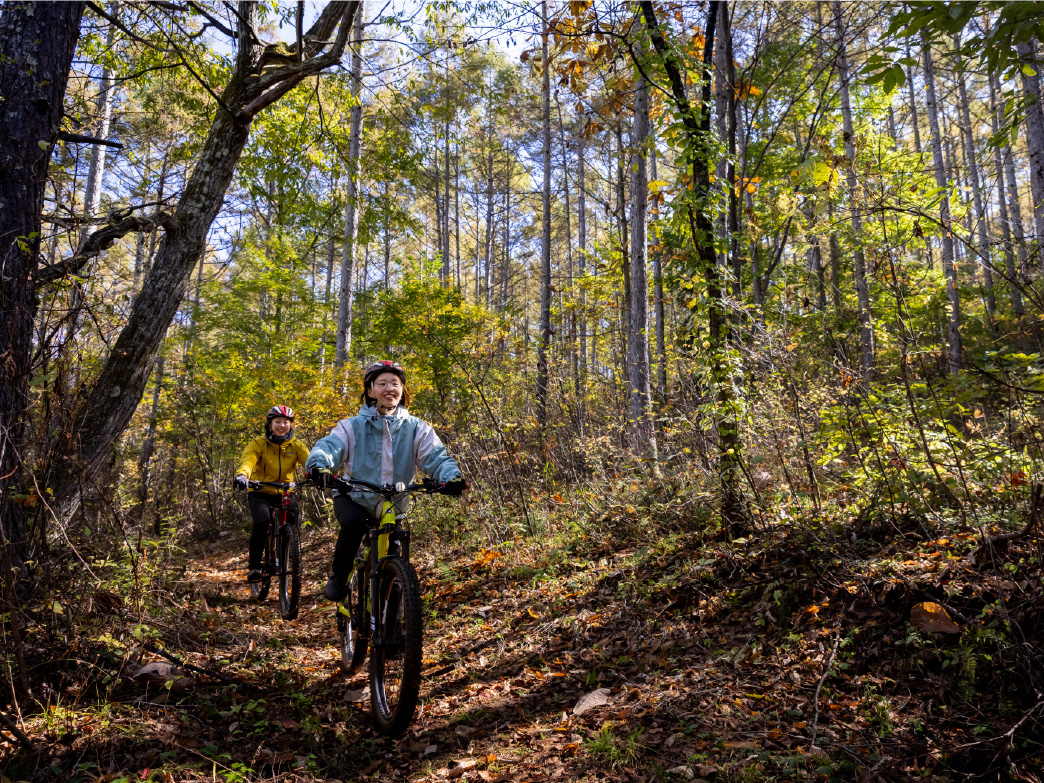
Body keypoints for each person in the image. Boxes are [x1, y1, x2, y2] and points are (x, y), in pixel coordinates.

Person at [306, 360, 466, 601]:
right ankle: (339, 576)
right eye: (382, 384)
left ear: (402, 390)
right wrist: (319, 467)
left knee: (394, 560)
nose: (389, 388)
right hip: (354, 498)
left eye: (395, 383)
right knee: (354, 524)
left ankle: (390, 621)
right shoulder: (351, 427)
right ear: (370, 391)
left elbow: (436, 457)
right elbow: (329, 447)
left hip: (393, 505)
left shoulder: (416, 428)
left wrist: (451, 478)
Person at [233, 405, 310, 583]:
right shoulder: (258, 443)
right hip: (260, 491)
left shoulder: (296, 445)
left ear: (291, 425)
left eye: (286, 422)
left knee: (293, 519)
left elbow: (309, 460)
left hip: (283, 491)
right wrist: (243, 475)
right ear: (270, 424)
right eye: (277, 422)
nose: (282, 425)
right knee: (261, 522)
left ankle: (286, 553)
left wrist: (316, 472)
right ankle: (254, 566)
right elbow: (248, 459)